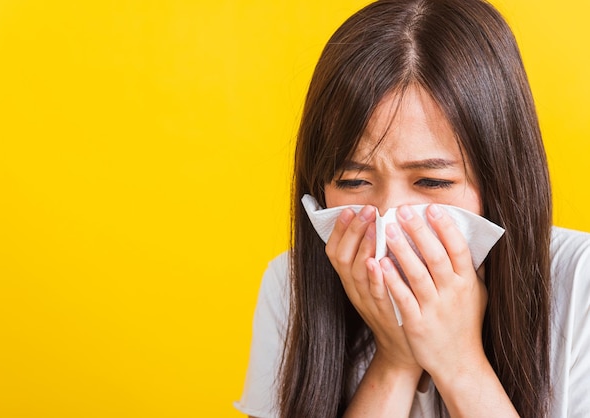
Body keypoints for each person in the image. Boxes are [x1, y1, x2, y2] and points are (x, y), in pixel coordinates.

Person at [235, 0, 590, 417]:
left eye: (432, 182)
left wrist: (459, 362)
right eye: (353, 182)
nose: (389, 219)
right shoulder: (289, 286)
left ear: (501, 176)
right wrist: (394, 361)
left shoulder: (580, 282)